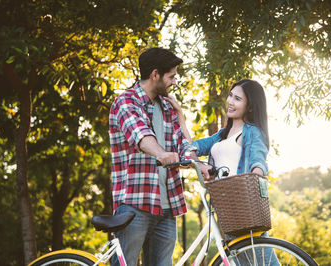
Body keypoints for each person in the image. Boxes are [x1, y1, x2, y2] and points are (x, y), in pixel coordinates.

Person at [109, 47, 209, 266]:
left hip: (167, 206)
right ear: (155, 75)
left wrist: (197, 163)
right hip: (135, 204)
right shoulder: (127, 102)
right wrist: (162, 154)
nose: (175, 81)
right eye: (171, 76)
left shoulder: (167, 106)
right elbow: (141, 136)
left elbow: (183, 143)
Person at [166, 79, 279, 265]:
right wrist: (180, 117)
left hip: (244, 205)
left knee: (263, 262)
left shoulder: (252, 132)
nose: (230, 101)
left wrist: (257, 174)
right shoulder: (222, 135)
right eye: (231, 96)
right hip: (227, 210)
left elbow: (258, 158)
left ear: (250, 107)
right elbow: (192, 147)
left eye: (238, 99)